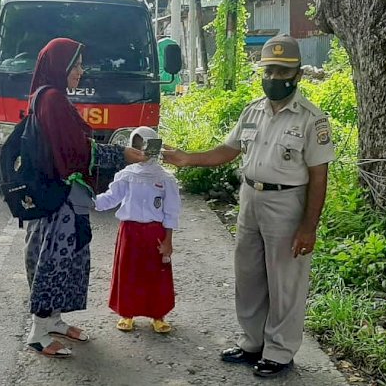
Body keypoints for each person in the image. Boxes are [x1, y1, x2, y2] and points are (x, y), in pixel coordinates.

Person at [163, 34, 336, 378]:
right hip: (250, 199)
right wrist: (187, 159)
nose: (274, 78)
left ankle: (280, 351)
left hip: (287, 203)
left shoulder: (311, 120)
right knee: (249, 275)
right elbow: (227, 151)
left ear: (298, 75)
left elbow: (319, 177)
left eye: (282, 72)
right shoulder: (252, 111)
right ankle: (252, 342)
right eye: (269, 70)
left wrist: (308, 227)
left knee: (285, 280)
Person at [24, 38, 147, 358]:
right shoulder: (52, 100)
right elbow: (77, 151)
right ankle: (38, 332)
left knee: (63, 258)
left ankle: (53, 321)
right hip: (58, 197)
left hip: (57, 195)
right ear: (60, 66)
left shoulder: (47, 96)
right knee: (54, 261)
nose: (80, 71)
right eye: (75, 65)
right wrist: (123, 154)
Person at [94, 127, 181, 334]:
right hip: (130, 232)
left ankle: (158, 315)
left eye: (146, 145)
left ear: (154, 147)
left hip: (155, 233)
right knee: (129, 272)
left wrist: (168, 240)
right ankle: (127, 313)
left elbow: (171, 211)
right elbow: (111, 198)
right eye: (136, 145)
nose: (141, 150)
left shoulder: (166, 179)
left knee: (156, 273)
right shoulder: (126, 175)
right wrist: (89, 200)